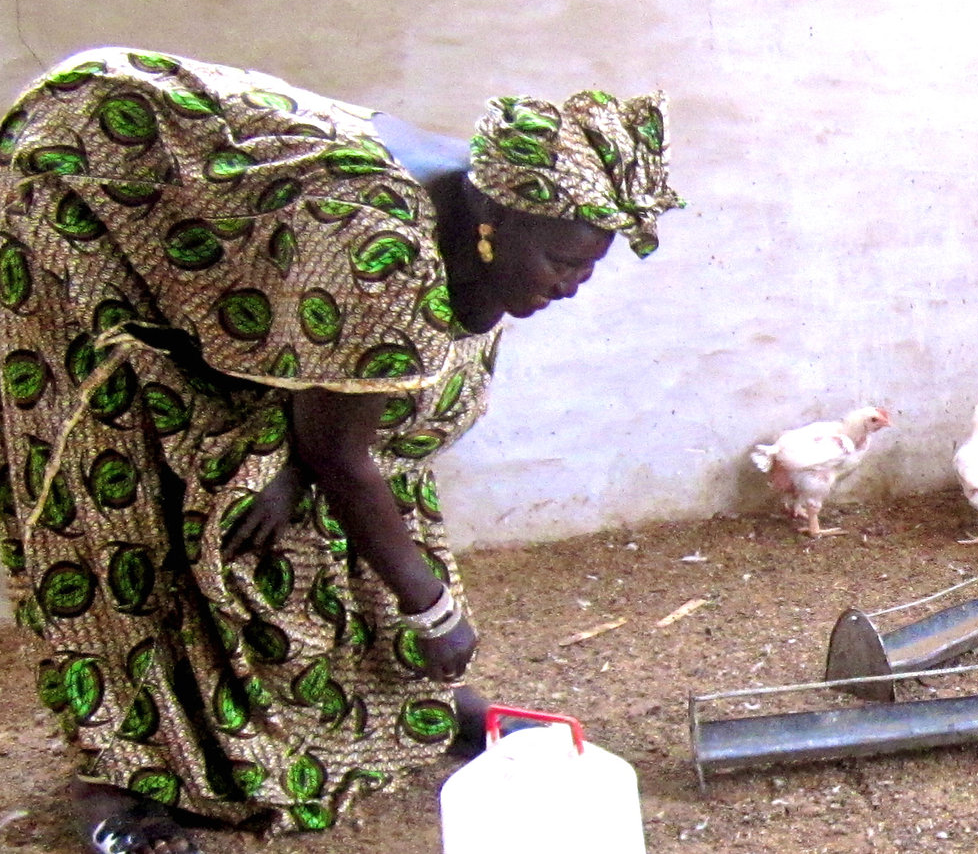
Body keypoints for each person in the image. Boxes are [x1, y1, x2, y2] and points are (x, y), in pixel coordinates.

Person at [0, 48, 682, 852]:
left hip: (218, 253)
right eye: (563, 263)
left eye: (588, 268)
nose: (572, 285)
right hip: (82, 192)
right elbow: (340, 450)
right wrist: (430, 606)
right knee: (126, 485)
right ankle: (117, 774)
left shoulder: (489, 217)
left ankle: (407, 700)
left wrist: (299, 463)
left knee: (317, 473)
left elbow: (359, 419)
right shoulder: (381, 244)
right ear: (494, 225)